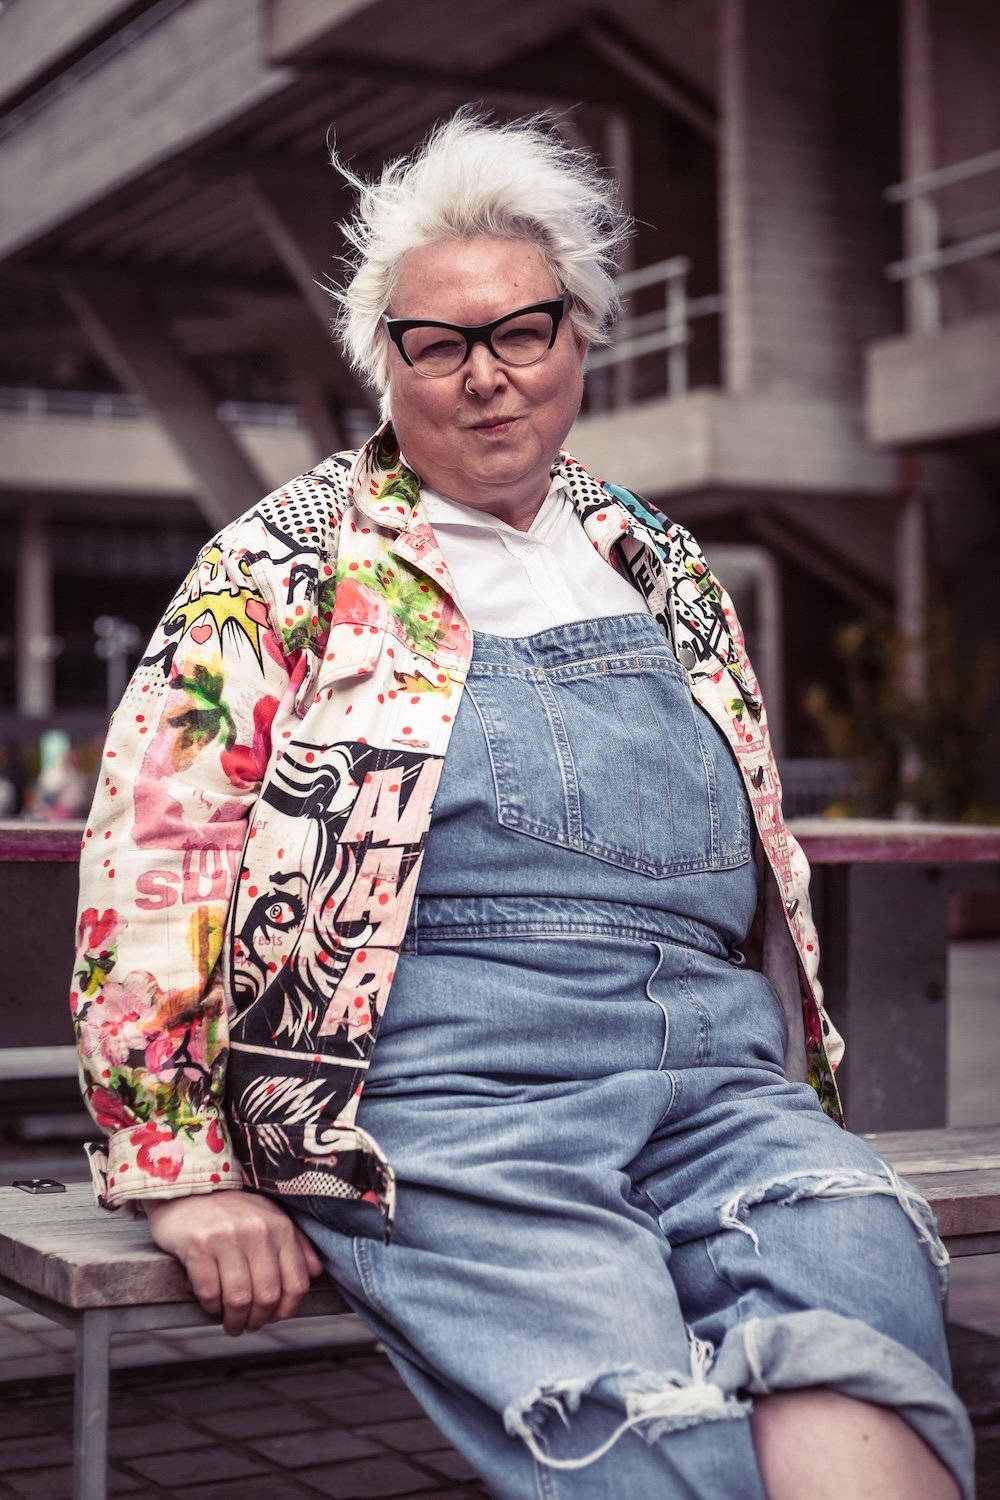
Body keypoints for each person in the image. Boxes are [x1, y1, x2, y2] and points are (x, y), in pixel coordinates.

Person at [71, 112, 973, 1499]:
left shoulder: (662, 562)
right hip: (443, 1103)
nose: (487, 380)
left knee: (861, 1343)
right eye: (440, 344)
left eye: (524, 334)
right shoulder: (283, 566)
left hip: (720, 1082)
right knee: (646, 1442)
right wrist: (181, 1166)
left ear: (579, 339)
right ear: (387, 362)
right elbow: (158, 857)